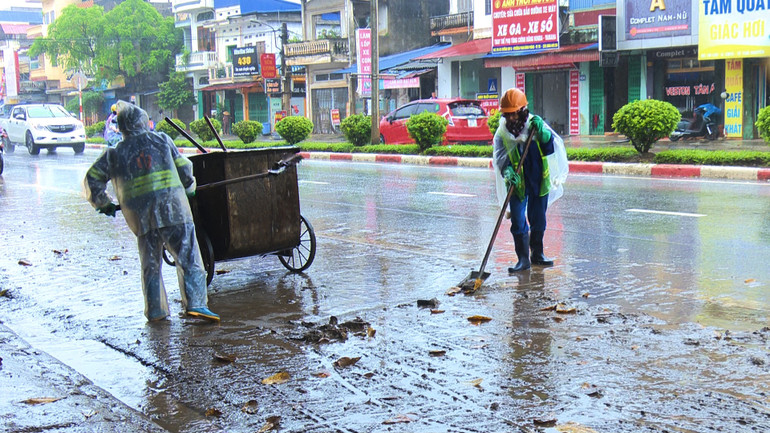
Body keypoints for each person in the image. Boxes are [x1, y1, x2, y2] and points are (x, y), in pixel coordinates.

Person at [84, 101, 220, 322]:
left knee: (151, 264)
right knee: (188, 256)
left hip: (142, 218)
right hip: (173, 211)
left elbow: (93, 179)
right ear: (143, 122)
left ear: (123, 127)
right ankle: (196, 304)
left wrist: (104, 202)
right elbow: (184, 168)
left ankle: (156, 310)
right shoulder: (162, 141)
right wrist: (189, 188)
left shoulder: (115, 154)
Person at [492, 88, 568, 273]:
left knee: (538, 218)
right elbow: (500, 158)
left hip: (538, 177)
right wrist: (508, 171)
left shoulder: (535, 124)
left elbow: (551, 146)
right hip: (517, 182)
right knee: (517, 219)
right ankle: (523, 259)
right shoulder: (502, 133)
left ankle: (537, 254)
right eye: (507, 114)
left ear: (522, 110)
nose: (510, 118)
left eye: (513, 113)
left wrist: (543, 135)